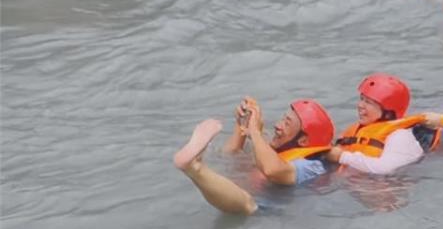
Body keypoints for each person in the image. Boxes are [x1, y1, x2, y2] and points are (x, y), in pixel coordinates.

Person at [173, 97, 335, 215]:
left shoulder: (314, 166)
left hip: (265, 213)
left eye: (287, 124)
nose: (278, 125)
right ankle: (193, 165)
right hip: (237, 189)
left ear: (304, 140)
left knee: (248, 204)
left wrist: (255, 131)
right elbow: (229, 156)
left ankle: (194, 167)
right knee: (227, 172)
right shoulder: (274, 149)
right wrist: (242, 126)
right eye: (282, 119)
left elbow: (272, 170)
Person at [325, 74, 427, 175]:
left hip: (384, 187)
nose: (360, 105)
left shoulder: (400, 136)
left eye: (368, 102)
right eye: (362, 99)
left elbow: (385, 169)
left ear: (388, 113)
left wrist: (342, 157)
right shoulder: (358, 129)